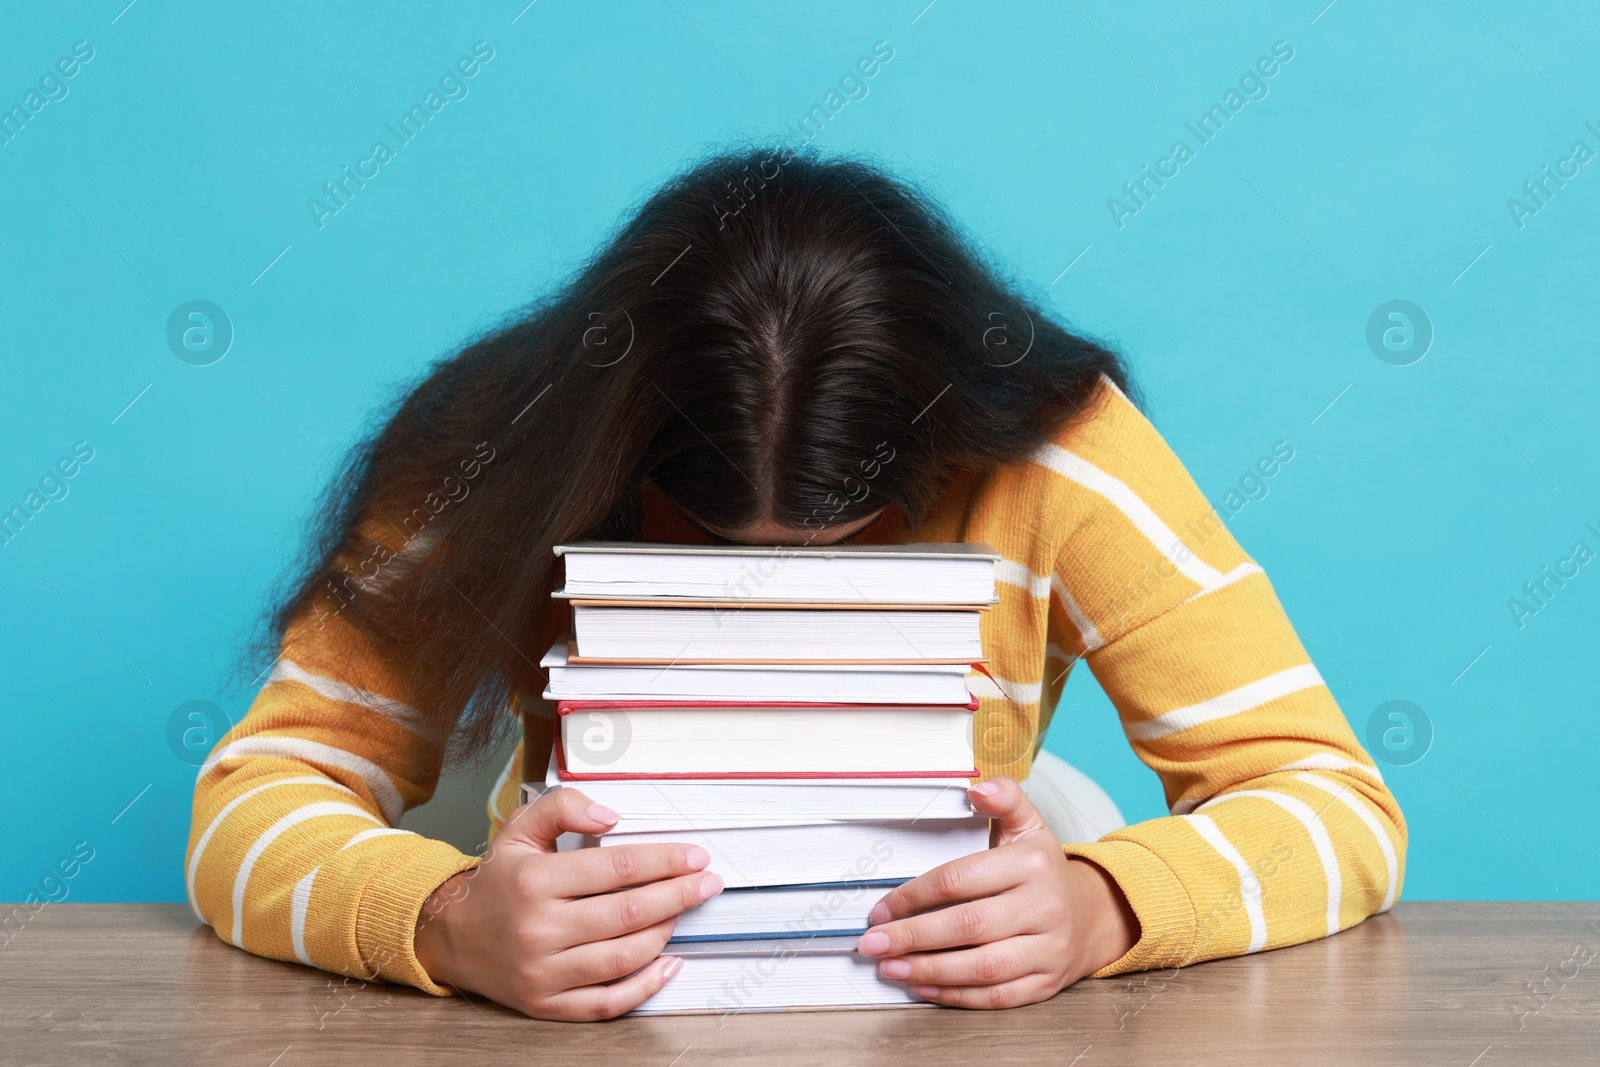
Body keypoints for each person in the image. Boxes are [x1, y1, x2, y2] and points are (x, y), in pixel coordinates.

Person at [188, 148, 1405, 1021]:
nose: (773, 599)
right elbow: (255, 796)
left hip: (965, 968)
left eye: (849, 541)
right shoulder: (497, 452)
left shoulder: (1059, 453)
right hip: (574, 964)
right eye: (709, 538)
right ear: (620, 451)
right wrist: (446, 920)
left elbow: (1333, 801)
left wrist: (1105, 905)